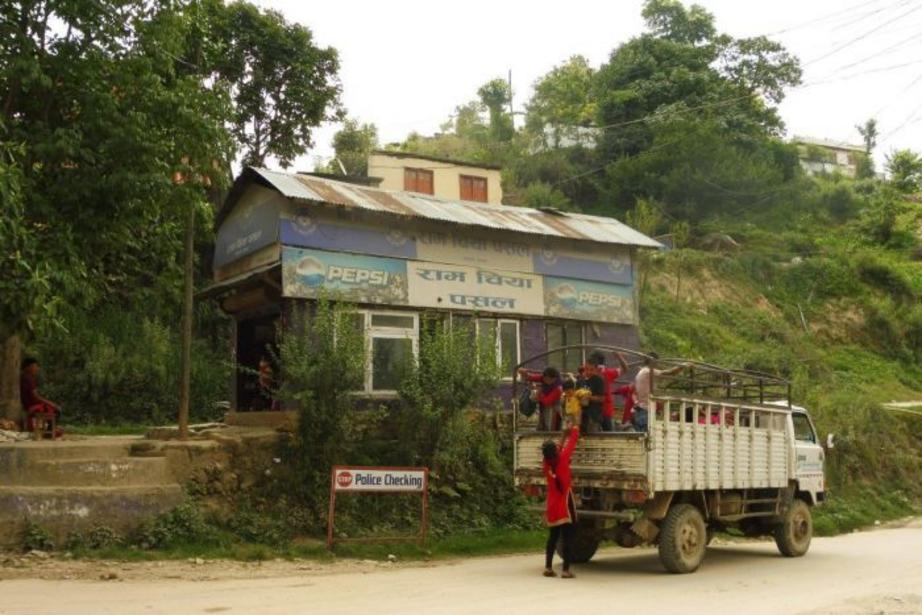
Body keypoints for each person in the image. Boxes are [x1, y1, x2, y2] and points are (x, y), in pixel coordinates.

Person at [542, 425, 580, 579]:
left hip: (552, 504)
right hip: (565, 503)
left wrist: (562, 436)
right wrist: (574, 429)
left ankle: (548, 568)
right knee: (568, 536)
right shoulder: (563, 459)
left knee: (553, 536)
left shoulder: (546, 464)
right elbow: (573, 442)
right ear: (555, 452)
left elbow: (557, 449)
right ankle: (565, 570)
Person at [633, 352, 687, 431]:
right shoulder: (648, 371)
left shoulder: (642, 371)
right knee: (645, 435)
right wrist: (683, 365)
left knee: (643, 435)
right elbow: (670, 373)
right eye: (657, 362)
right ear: (653, 361)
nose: (657, 364)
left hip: (642, 408)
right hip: (645, 409)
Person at [586, 350, 627, 432]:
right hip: (603, 410)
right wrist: (619, 357)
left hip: (596, 410)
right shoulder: (607, 372)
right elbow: (624, 369)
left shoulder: (588, 373)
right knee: (608, 434)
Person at [20, 357, 61, 437]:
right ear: (28, 367)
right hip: (31, 406)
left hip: (29, 404)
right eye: (35, 366)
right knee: (57, 410)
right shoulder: (27, 378)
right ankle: (50, 432)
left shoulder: (24, 377)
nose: (37, 369)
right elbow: (35, 397)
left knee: (53, 408)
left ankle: (50, 430)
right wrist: (51, 403)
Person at [519, 366, 563, 431]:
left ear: (553, 379)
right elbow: (531, 377)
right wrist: (524, 373)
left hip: (553, 411)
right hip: (544, 409)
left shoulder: (558, 388)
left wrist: (539, 393)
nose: (544, 380)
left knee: (551, 430)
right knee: (543, 427)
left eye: (547, 379)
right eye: (544, 378)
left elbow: (547, 401)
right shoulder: (544, 378)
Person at [581, 364, 605, 433]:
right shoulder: (580, 381)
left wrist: (589, 397)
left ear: (596, 370)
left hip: (594, 416)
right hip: (581, 416)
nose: (588, 372)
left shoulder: (599, 380)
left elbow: (602, 398)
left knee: (593, 437)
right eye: (586, 369)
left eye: (591, 370)